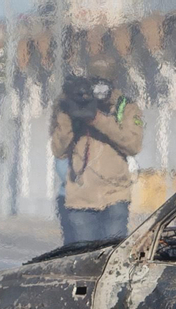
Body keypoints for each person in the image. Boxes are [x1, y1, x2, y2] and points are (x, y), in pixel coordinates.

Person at [50, 61, 143, 244]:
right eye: (95, 82)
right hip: (81, 198)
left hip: (115, 195)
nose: (100, 89)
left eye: (105, 81)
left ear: (114, 81)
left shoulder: (124, 106)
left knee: (112, 257)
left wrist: (97, 119)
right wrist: (68, 114)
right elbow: (58, 150)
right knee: (85, 261)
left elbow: (134, 145)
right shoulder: (74, 103)